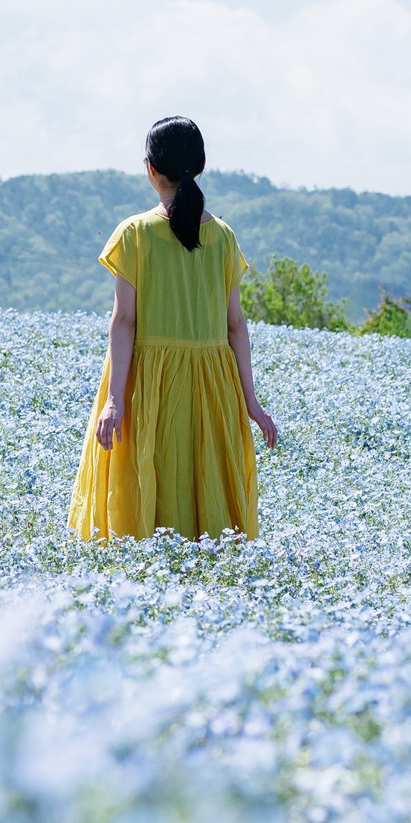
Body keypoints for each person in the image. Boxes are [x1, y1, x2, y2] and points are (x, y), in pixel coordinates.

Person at [70, 116, 280, 541]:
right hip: (213, 384)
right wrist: (251, 402)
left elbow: (124, 321)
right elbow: (236, 326)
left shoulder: (135, 233)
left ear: (151, 168)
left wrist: (115, 400)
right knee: (204, 485)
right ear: (201, 166)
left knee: (147, 479)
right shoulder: (223, 236)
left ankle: (147, 569)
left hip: (149, 382)